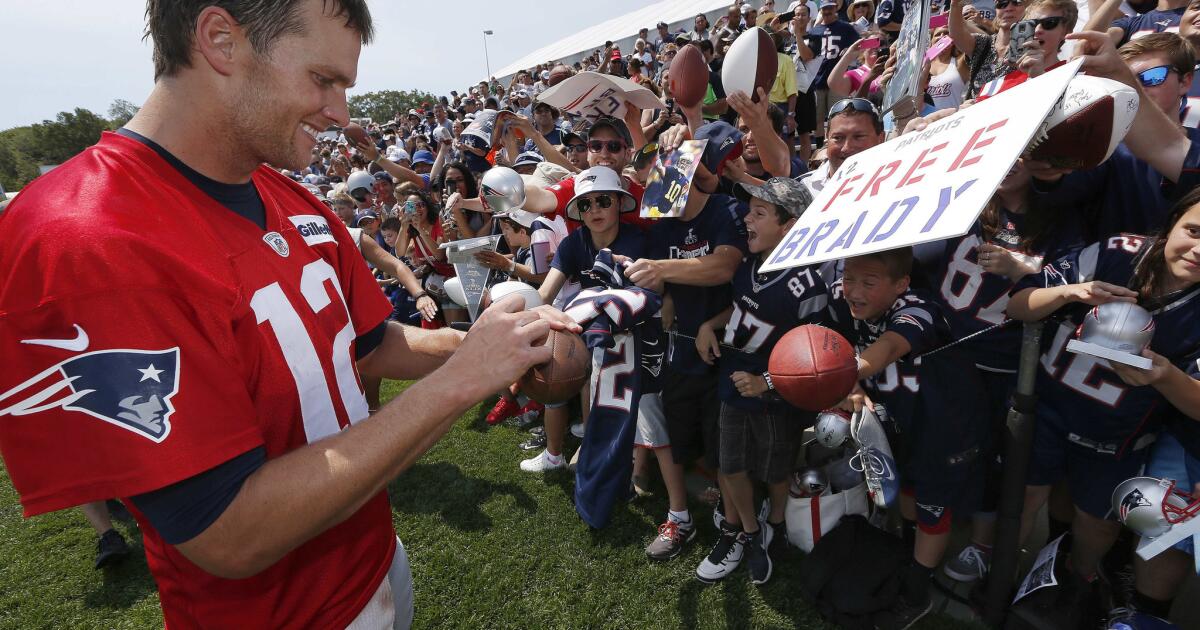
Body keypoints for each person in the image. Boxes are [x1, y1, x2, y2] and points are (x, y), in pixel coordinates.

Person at [0, 2, 576, 628]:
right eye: (323, 80)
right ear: (221, 40)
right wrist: (462, 380)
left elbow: (369, 342)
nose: (341, 113)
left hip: (374, 560)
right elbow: (226, 532)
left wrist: (490, 346)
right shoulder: (85, 236)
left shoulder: (287, 194)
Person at [828, 247, 991, 628]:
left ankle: (917, 591)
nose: (853, 290)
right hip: (904, 418)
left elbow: (886, 348)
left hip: (946, 425)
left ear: (901, 283)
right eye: (849, 278)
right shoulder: (847, 299)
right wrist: (851, 382)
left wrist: (840, 373)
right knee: (904, 488)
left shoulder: (918, 309)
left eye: (869, 282)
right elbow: (836, 341)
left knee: (933, 504)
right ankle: (909, 555)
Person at [625, 122, 750, 568]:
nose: (653, 193)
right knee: (680, 440)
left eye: (660, 175)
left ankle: (735, 527)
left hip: (727, 348)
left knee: (724, 449)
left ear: (684, 171)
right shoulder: (660, 227)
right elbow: (672, 280)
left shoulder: (724, 211)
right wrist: (667, 298)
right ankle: (681, 516)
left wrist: (661, 272)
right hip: (682, 347)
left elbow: (723, 267)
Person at [693, 177, 828, 585]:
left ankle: (778, 526)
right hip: (734, 377)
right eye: (749, 209)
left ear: (789, 226)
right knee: (730, 463)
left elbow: (814, 351)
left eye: (758, 213)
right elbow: (740, 310)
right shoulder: (751, 262)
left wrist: (768, 381)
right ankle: (750, 533)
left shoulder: (809, 282)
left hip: (774, 391)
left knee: (775, 467)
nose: (746, 219)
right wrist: (708, 325)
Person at [522, 166, 645, 472]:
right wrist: (528, 318)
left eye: (603, 200)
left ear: (619, 201)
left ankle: (625, 459)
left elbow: (650, 297)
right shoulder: (574, 243)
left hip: (636, 332)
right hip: (590, 331)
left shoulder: (640, 240)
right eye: (585, 204)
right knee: (554, 352)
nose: (594, 210)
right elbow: (546, 292)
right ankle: (583, 443)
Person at [800, 97, 885, 194]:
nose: (846, 148)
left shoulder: (898, 185)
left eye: (858, 136)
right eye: (838, 138)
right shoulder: (803, 189)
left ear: (881, 139)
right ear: (827, 138)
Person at [804, 0, 861, 143]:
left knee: (836, 116)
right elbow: (807, 54)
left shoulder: (846, 28)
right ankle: (819, 148)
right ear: (820, 10)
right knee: (817, 118)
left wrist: (848, 52)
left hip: (837, 80)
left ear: (836, 8)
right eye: (824, 8)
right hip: (817, 79)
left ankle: (834, 144)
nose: (827, 11)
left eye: (830, 8)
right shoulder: (814, 31)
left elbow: (858, 48)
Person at [949, 0, 1029, 98]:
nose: (1008, 8)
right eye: (1002, 4)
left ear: (1027, 7)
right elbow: (957, 35)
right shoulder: (984, 43)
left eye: (1016, 3)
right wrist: (955, 5)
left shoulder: (1031, 46)